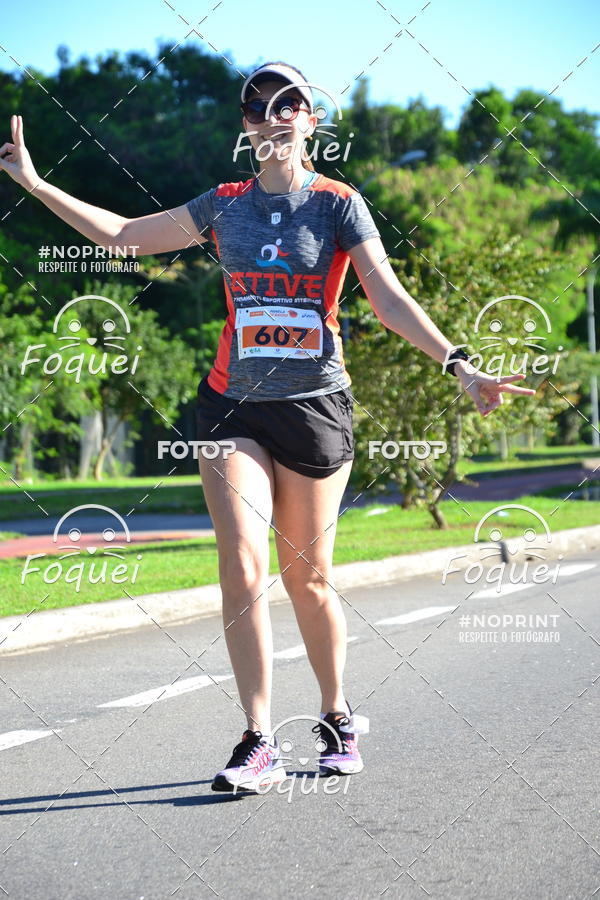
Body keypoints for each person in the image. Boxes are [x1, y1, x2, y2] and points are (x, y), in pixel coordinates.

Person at [0, 60, 536, 793]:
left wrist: (460, 364)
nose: (272, 113)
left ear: (311, 120)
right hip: (232, 406)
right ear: (246, 127)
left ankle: (337, 713)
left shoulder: (340, 205)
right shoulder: (223, 206)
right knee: (244, 570)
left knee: (306, 579)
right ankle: (257, 739)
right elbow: (124, 235)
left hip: (316, 410)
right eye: (257, 105)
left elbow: (388, 298)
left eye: (289, 102)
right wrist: (35, 184)